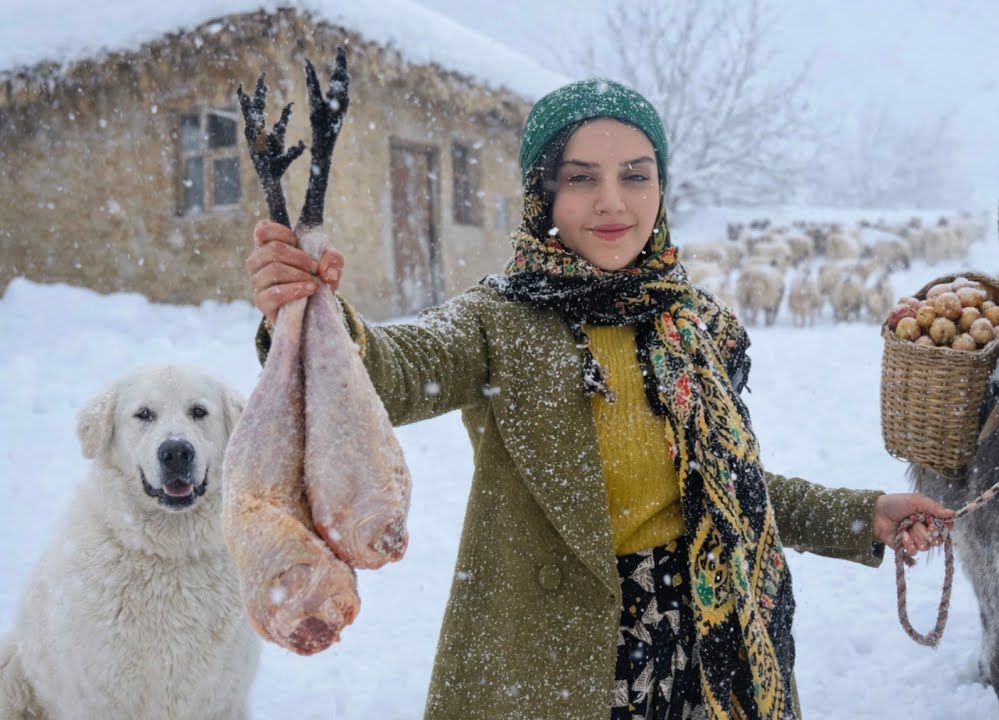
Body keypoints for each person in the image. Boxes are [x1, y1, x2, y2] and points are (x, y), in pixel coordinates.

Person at [245, 78, 954, 720]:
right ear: (543, 192)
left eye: (635, 176)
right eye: (581, 178)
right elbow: (387, 373)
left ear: (660, 189)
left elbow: (728, 494)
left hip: (705, 647)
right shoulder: (499, 320)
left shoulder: (692, 326)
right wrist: (305, 315)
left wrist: (862, 515)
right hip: (558, 660)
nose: (612, 201)